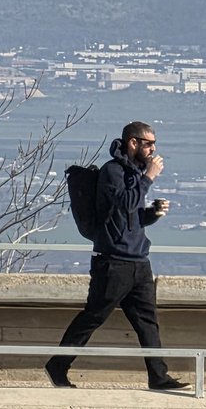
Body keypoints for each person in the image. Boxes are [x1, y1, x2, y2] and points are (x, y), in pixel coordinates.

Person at [46, 121, 186, 390]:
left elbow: (131, 216)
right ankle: (57, 366)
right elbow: (126, 203)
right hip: (113, 262)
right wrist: (149, 177)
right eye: (149, 144)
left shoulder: (134, 173)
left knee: (148, 322)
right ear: (133, 142)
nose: (154, 150)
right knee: (93, 316)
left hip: (138, 262)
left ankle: (159, 376)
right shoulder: (112, 172)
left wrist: (152, 213)